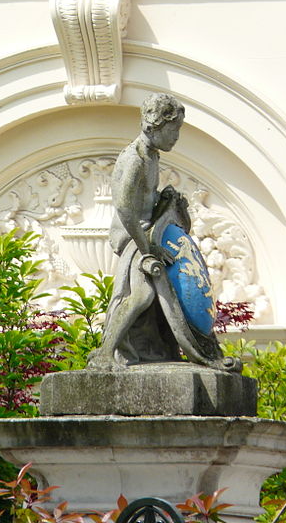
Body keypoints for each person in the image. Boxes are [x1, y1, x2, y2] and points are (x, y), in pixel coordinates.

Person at [88, 94, 189, 369]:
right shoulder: (134, 159)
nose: (177, 137)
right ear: (155, 126)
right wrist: (147, 250)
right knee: (142, 295)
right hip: (135, 237)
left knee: (154, 300)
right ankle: (106, 352)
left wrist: (165, 200)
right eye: (174, 129)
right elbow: (125, 210)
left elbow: (145, 199)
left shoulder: (152, 156)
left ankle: (155, 350)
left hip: (147, 232)